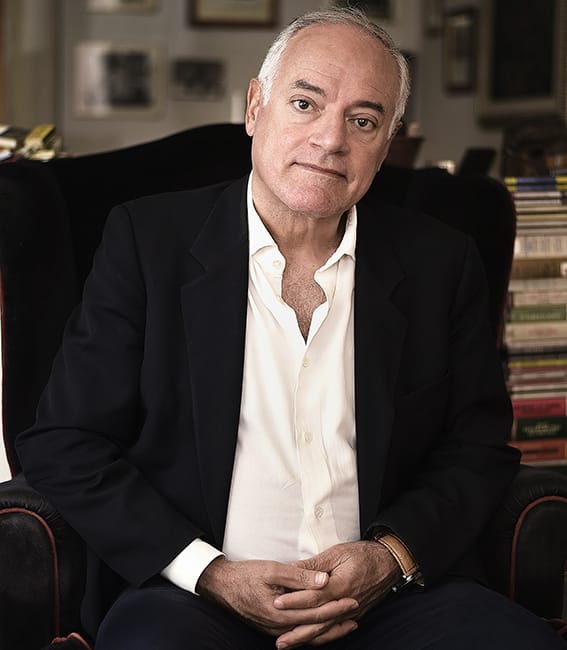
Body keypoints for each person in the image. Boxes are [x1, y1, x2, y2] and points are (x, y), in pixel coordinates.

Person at [16, 7, 564, 650]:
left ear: (388, 142)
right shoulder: (147, 243)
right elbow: (66, 441)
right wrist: (209, 572)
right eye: (305, 104)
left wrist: (390, 557)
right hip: (192, 596)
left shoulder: (440, 263)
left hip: (389, 597)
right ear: (256, 107)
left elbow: (477, 446)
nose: (331, 140)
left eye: (363, 120)